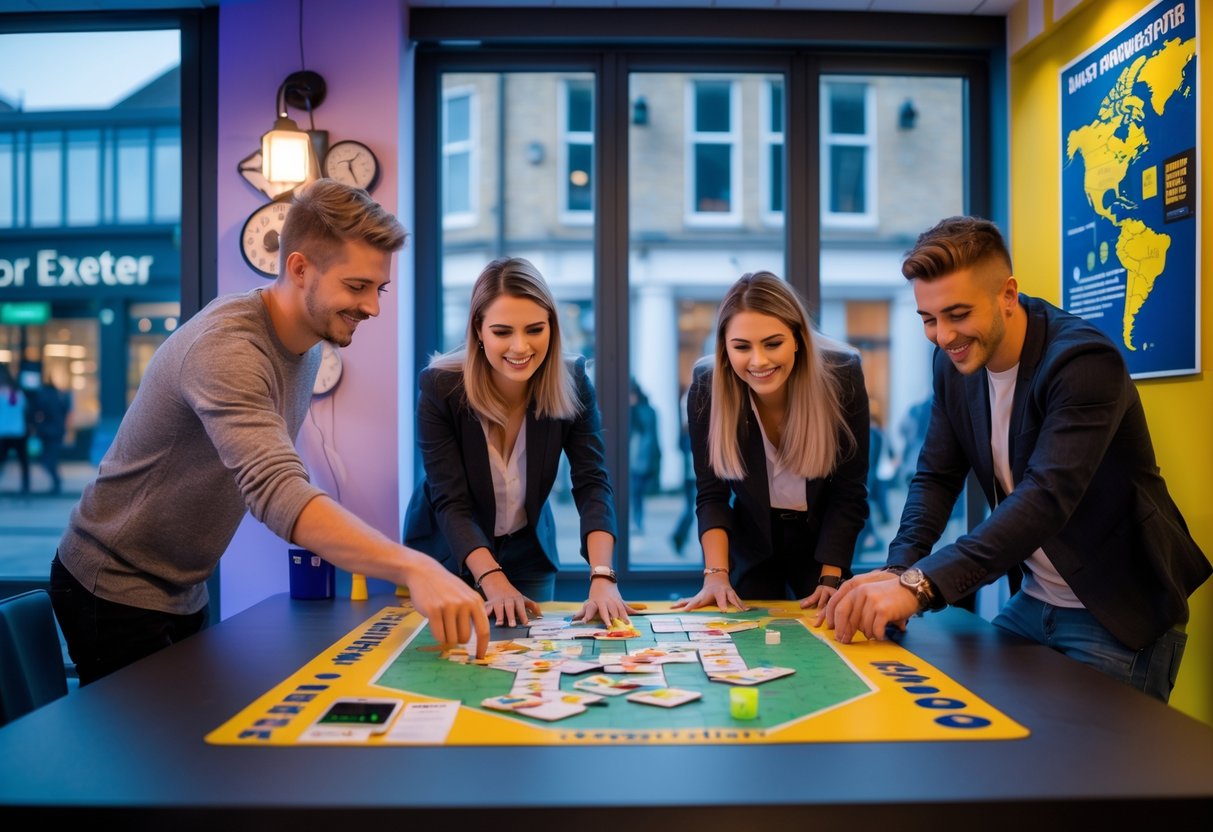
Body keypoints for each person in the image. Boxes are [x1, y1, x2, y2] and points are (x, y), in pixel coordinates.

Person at [50, 179, 490, 686]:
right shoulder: (228, 349)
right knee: (152, 757)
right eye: (356, 286)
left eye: (378, 288)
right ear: (300, 268)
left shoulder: (306, 347)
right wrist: (415, 568)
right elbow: (276, 490)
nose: (373, 307)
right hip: (111, 584)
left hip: (183, 587)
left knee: (190, 743)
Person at [816, 215, 1211, 703]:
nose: (943, 336)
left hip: (1116, 611)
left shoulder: (1083, 362)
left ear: (1007, 294)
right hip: (1032, 602)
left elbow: (1045, 498)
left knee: (1092, 779)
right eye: (928, 319)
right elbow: (937, 477)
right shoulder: (954, 364)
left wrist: (920, 587)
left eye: (958, 314)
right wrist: (899, 569)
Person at [404, 256, 636, 629]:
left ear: (552, 327)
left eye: (534, 329)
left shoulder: (573, 381)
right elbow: (450, 500)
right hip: (447, 553)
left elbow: (592, 484)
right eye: (502, 332)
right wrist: (493, 582)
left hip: (528, 551)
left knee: (532, 666)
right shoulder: (440, 388)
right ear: (478, 330)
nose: (520, 346)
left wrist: (602, 577)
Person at [674, 272, 870, 613]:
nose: (758, 361)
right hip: (752, 541)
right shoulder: (706, 387)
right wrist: (716, 575)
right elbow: (711, 494)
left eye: (772, 343)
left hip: (824, 543)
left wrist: (831, 576)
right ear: (724, 347)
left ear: (797, 338)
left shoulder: (842, 376)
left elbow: (849, 491)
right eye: (741, 347)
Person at [628, 378, 660, 534]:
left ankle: (637, 521)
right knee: (636, 493)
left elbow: (650, 436)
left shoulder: (641, 412)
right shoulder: (646, 411)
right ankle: (637, 521)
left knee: (636, 492)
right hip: (638, 458)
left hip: (639, 459)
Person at [30, 377, 72, 495]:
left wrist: (37, 424)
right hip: (57, 431)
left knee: (46, 460)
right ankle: (56, 482)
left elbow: (36, 411)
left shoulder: (43, 396)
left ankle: (57, 482)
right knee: (50, 458)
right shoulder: (59, 396)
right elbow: (65, 410)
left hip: (47, 432)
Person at [0, 366, 30, 495]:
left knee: (1, 461)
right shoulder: (18, 393)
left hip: (3, 432)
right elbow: (26, 409)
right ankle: (25, 486)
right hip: (18, 431)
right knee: (23, 462)